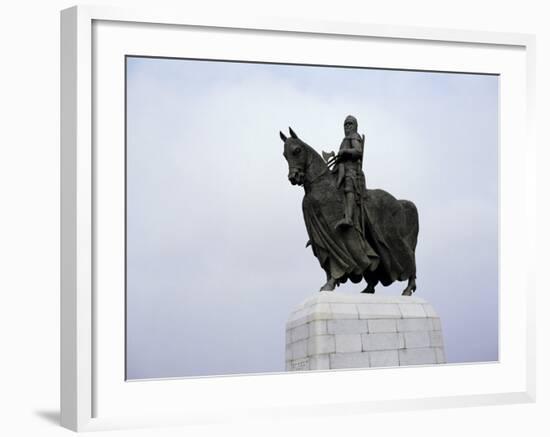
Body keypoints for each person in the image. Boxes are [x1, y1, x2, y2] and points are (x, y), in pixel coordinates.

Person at [334, 115, 366, 230]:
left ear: (355, 126)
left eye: (350, 124)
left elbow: (358, 151)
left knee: (348, 184)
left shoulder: (354, 137)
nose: (347, 126)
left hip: (351, 170)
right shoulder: (345, 140)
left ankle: (349, 218)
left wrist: (345, 151)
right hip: (340, 169)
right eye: (345, 124)